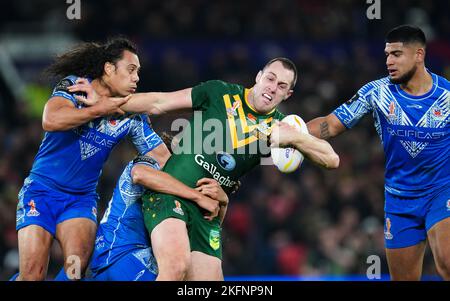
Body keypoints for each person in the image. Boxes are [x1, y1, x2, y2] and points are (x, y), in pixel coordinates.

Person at [68, 57, 340, 280]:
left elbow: (331, 160)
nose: (272, 88)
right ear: (259, 76)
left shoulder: (280, 127)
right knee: (175, 268)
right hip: (170, 194)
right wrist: (104, 101)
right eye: (270, 78)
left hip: (206, 212)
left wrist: (296, 137)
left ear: (288, 94)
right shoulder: (219, 92)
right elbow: (158, 102)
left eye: (282, 86)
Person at [14, 37, 197, 281]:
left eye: (139, 73)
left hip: (80, 200)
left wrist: (204, 177)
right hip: (41, 190)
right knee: (33, 275)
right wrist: (101, 108)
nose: (136, 78)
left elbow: (163, 159)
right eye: (131, 70)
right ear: (109, 69)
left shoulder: (132, 116)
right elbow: (51, 120)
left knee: (74, 272)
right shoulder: (75, 86)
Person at [298, 25, 449, 280]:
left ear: (419, 55)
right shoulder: (376, 92)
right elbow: (331, 125)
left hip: (441, 192)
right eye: (387, 54)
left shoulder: (446, 96)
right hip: (399, 201)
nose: (389, 61)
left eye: (397, 54)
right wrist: (285, 131)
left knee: (446, 261)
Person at [86, 134, 228, 281]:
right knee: (177, 269)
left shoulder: (180, 191)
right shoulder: (153, 161)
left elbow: (204, 234)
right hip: (120, 255)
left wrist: (223, 202)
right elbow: (139, 174)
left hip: (130, 260)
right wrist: (198, 196)